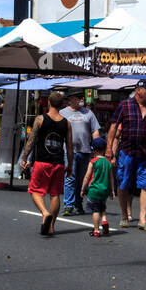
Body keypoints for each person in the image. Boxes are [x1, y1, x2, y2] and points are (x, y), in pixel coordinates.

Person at [107, 82, 146, 231]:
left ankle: (142, 219)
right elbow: (113, 127)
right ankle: (124, 215)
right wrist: (109, 148)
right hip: (127, 152)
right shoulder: (124, 105)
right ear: (138, 91)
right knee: (123, 184)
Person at [21, 90, 69, 236]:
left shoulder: (40, 119)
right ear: (61, 105)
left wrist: (24, 158)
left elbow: (31, 140)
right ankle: (51, 226)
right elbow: (70, 147)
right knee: (55, 195)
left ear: (48, 102)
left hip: (42, 161)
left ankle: (44, 212)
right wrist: (71, 164)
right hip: (58, 162)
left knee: (35, 191)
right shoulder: (67, 123)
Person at [60, 94, 100, 216]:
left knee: (82, 180)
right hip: (68, 151)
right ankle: (68, 206)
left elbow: (95, 131)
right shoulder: (62, 112)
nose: (81, 99)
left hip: (85, 151)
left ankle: (78, 204)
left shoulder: (88, 113)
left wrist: (97, 150)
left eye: (81, 97)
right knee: (69, 178)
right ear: (71, 99)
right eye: (78, 97)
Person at [81, 137, 113, 237]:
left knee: (95, 210)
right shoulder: (108, 163)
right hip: (105, 190)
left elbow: (87, 176)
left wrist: (82, 189)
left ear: (94, 150)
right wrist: (112, 190)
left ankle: (96, 230)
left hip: (94, 190)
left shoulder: (93, 162)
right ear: (104, 149)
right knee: (102, 207)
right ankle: (104, 220)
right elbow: (111, 178)